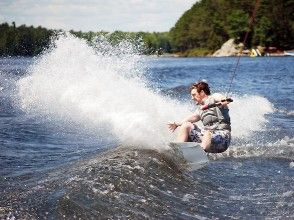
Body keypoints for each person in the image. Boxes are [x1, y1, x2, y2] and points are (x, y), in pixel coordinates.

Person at [168, 81, 232, 153]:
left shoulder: (214, 97)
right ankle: (178, 152)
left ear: (202, 92)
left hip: (223, 139)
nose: (192, 98)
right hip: (208, 140)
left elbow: (220, 98)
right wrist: (176, 124)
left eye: (194, 95)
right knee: (186, 125)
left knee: (207, 132)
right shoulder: (200, 109)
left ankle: (199, 153)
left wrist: (224, 100)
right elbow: (193, 117)